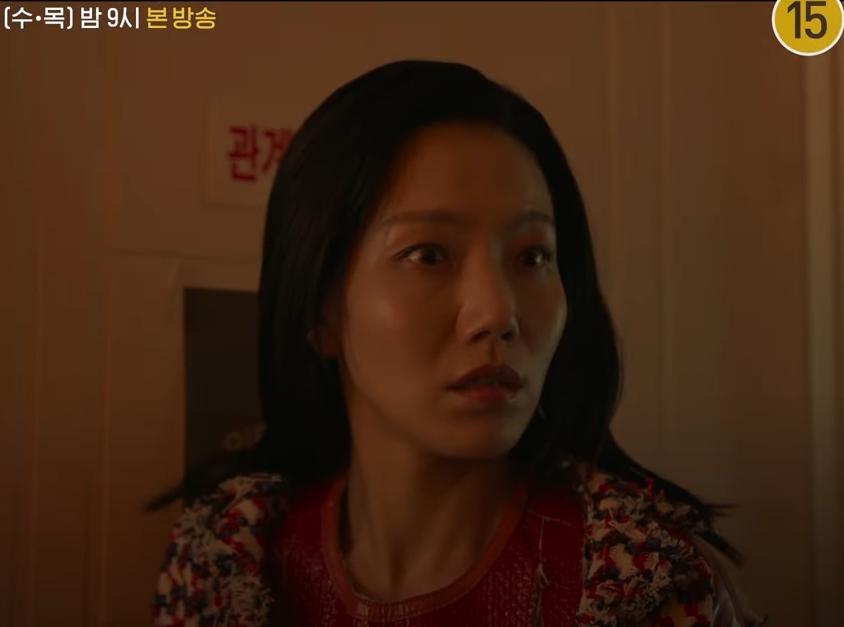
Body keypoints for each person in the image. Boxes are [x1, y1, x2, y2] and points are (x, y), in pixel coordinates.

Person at [148, 60, 764, 627]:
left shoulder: (643, 582)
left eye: (533, 256)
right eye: (429, 255)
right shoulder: (230, 560)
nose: (496, 314)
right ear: (319, 311)